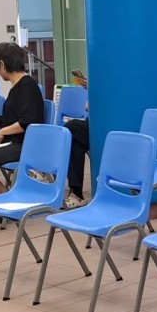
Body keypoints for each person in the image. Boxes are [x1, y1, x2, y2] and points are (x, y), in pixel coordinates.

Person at [0, 43, 46, 198]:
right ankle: (3, 195)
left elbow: (26, 122)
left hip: (25, 145)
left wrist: (2, 131)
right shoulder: (18, 87)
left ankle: (2, 198)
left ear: (2, 64)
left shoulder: (27, 86)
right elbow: (8, 119)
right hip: (16, 142)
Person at [63, 69, 91, 208]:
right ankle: (76, 194)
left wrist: (93, 88)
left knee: (71, 127)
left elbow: (87, 107)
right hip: (95, 124)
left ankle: (45, 168)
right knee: (75, 143)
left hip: (108, 126)